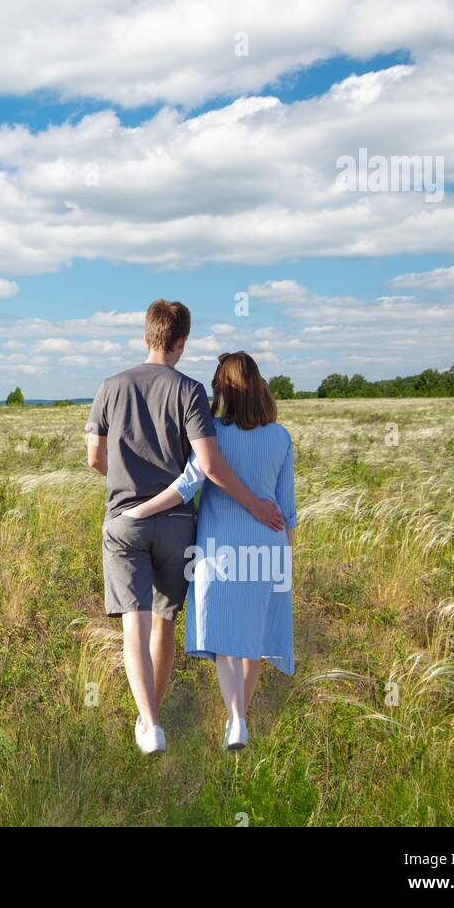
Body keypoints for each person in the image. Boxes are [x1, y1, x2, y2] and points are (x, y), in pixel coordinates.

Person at [86, 302, 285, 755]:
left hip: (123, 519)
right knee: (163, 623)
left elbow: (95, 458)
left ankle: (150, 724)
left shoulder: (109, 387)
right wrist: (255, 504)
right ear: (182, 342)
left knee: (131, 624)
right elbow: (209, 465)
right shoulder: (191, 391)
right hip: (176, 524)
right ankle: (153, 713)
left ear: (145, 336)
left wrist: (125, 483)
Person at [182, 351, 296, 751]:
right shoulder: (280, 437)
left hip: (219, 549)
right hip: (268, 546)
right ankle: (240, 720)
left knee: (225, 638)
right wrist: (287, 559)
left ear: (222, 389)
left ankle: (236, 721)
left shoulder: (211, 433)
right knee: (254, 639)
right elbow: (288, 508)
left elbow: (191, 485)